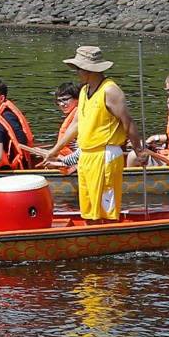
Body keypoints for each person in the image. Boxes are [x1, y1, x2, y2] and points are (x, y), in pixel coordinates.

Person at [63, 47, 141, 222]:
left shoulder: (110, 91)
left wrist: (139, 151)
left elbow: (128, 122)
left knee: (107, 209)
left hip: (106, 155)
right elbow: (75, 124)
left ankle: (111, 238)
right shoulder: (83, 91)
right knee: (89, 208)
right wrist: (55, 149)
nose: (77, 72)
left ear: (91, 69)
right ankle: (91, 235)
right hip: (86, 156)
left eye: (79, 68)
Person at [40, 82, 82, 170]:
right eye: (59, 101)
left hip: (78, 164)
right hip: (70, 160)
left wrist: (61, 162)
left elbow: (83, 154)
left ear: (77, 99)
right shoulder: (72, 116)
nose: (62, 104)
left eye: (65, 99)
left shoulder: (82, 118)